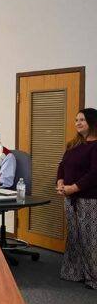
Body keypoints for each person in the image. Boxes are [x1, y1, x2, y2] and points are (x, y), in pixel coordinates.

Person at [58, 108, 97, 289]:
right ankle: (74, 272)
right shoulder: (73, 144)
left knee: (90, 239)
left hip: (89, 199)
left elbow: (94, 174)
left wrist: (73, 188)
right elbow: (62, 165)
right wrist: (60, 183)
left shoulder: (95, 146)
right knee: (74, 236)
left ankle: (93, 277)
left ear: (92, 122)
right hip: (70, 197)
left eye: (82, 120)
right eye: (76, 120)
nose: (78, 123)